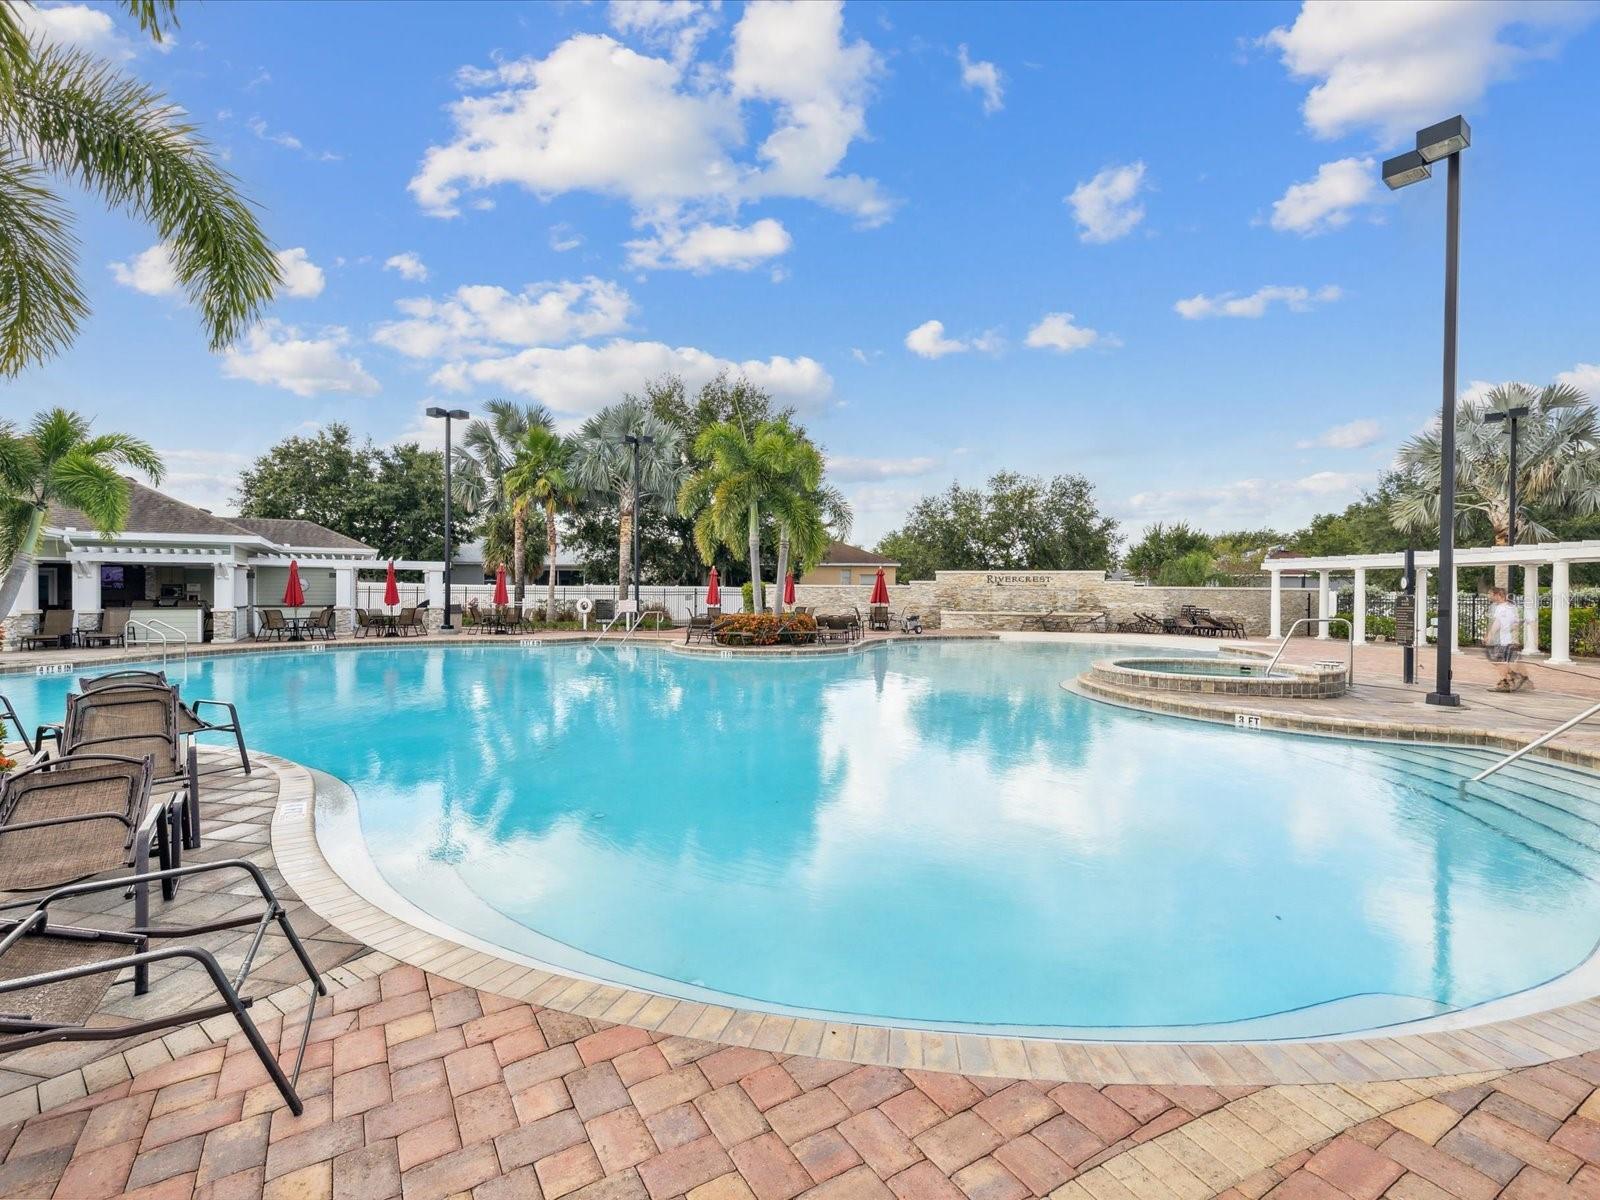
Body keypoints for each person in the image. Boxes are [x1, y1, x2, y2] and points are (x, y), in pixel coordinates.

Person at [1483, 586, 1530, 692]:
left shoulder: (1502, 608)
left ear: (1498, 595)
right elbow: (1516, 623)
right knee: (1501, 661)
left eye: (1491, 594)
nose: (1489, 596)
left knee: (1500, 662)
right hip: (1508, 640)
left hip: (1503, 640)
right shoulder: (1511, 607)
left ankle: (1505, 683)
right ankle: (1515, 677)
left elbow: (1498, 623)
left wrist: (1490, 636)